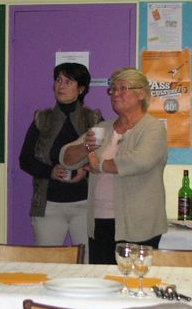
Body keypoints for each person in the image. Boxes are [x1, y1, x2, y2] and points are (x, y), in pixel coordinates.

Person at [60, 67, 167, 265]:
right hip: (100, 221)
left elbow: (139, 161)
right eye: (112, 89)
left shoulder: (153, 128)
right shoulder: (103, 128)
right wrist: (85, 147)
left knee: (133, 279)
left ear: (141, 93)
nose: (115, 94)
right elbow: (66, 158)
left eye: (122, 88)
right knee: (102, 280)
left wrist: (99, 165)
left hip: (137, 225)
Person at [19, 63, 102, 253]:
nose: (61, 86)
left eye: (68, 81)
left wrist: (85, 170)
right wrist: (51, 171)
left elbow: (104, 157)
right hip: (48, 205)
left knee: (88, 263)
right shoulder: (42, 119)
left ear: (81, 89)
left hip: (85, 204)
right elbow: (25, 159)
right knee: (47, 262)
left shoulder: (93, 118)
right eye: (58, 80)